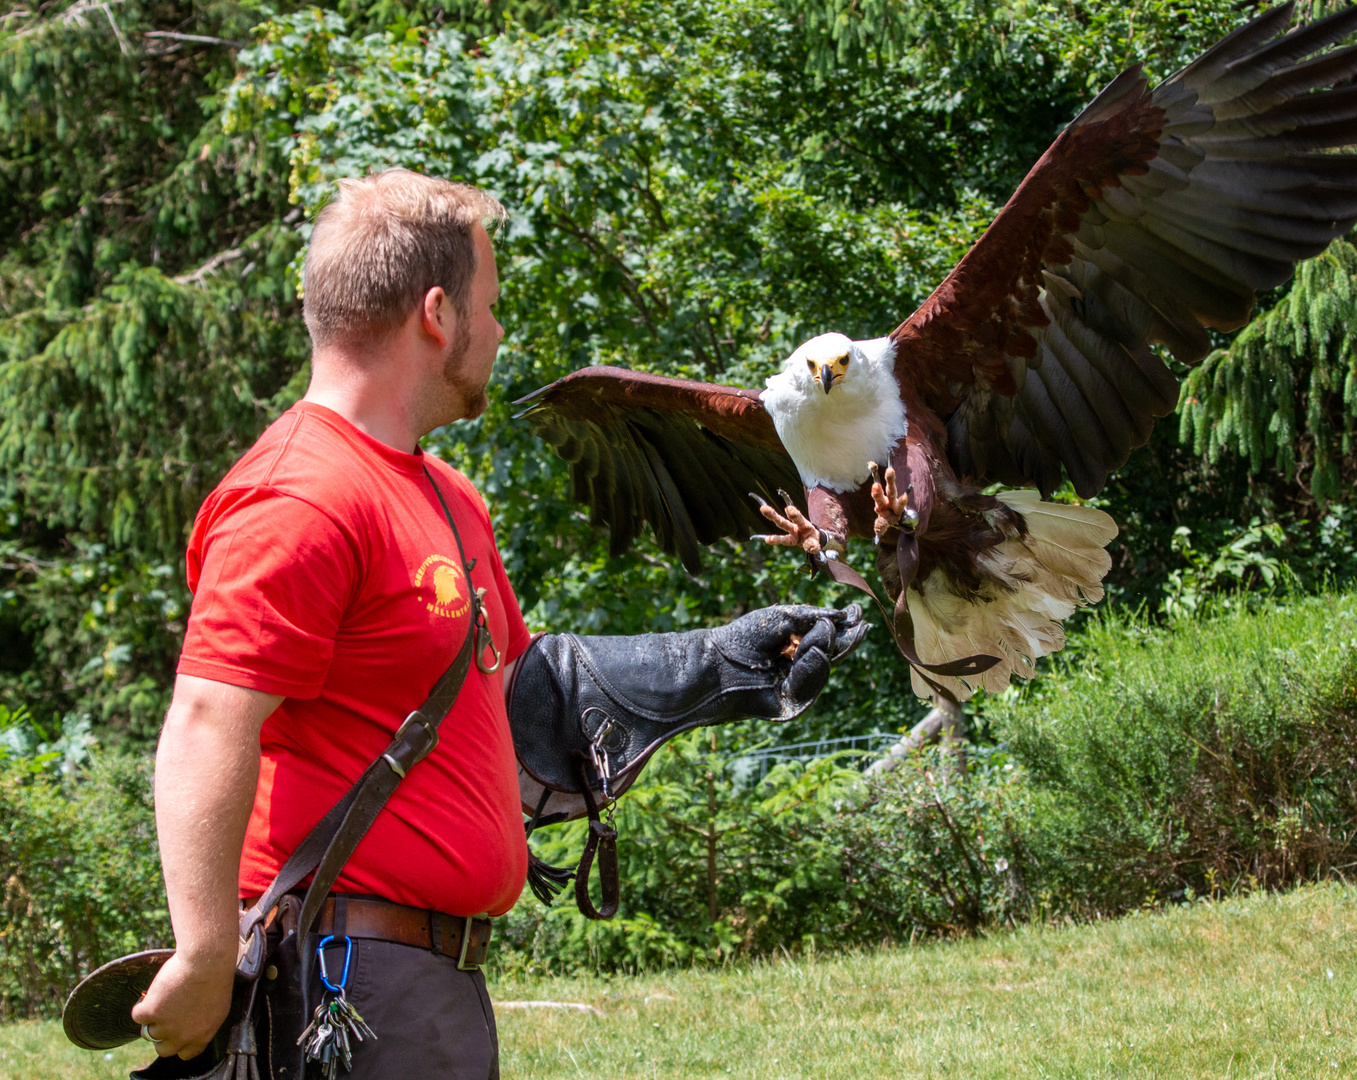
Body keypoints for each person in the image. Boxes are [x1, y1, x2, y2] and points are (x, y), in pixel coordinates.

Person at [128, 169, 859, 1079]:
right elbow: (207, 719)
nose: (502, 331)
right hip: (338, 983)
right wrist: (200, 956)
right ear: (438, 313)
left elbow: (509, 701)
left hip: (432, 984)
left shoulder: (445, 495)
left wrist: (713, 667)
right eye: (493, 305)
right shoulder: (298, 495)